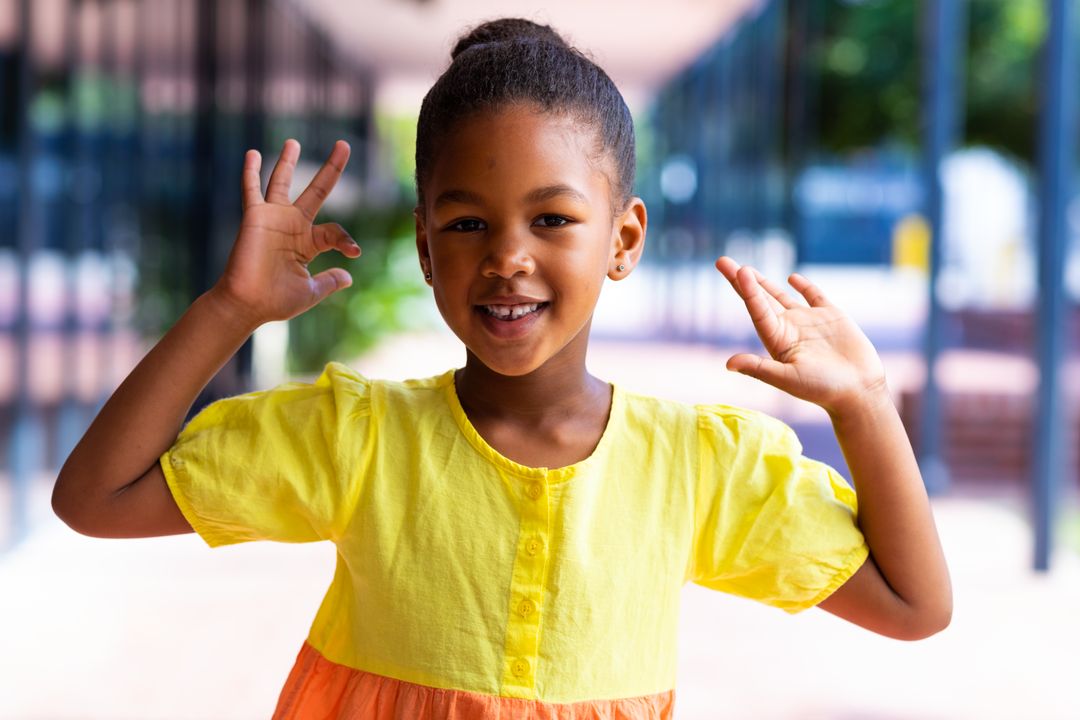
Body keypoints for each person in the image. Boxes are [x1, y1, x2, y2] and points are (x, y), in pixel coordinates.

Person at [52, 17, 951, 720]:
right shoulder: (355, 441)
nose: (508, 257)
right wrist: (229, 310)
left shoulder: (696, 468)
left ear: (624, 239)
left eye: (552, 220)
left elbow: (915, 607)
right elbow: (93, 500)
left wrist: (865, 404)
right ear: (424, 243)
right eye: (468, 222)